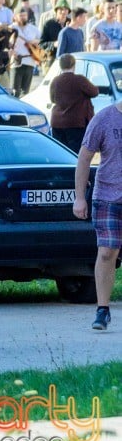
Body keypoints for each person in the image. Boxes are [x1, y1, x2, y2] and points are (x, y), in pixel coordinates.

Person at [73, 102, 122, 331]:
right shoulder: (104, 118)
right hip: (108, 196)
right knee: (106, 252)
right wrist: (79, 197)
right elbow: (84, 158)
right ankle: (102, 310)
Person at [49, 54, 99, 153]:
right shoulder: (79, 80)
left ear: (60, 66)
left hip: (57, 122)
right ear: (74, 65)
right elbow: (94, 92)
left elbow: (52, 99)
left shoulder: (55, 81)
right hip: (75, 123)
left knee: (61, 153)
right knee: (75, 154)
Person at [10, 7, 41, 98]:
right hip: (16, 61)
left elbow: (42, 40)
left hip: (30, 61)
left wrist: (35, 41)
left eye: (25, 15)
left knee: (25, 91)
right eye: (21, 15)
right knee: (14, 90)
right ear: (15, 17)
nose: (23, 17)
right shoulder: (11, 28)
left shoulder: (33, 29)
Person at [39, 0, 70, 73]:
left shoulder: (71, 23)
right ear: (56, 11)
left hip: (69, 60)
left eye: (65, 9)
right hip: (52, 59)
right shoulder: (49, 24)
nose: (63, 12)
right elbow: (41, 44)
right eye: (61, 9)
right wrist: (53, 44)